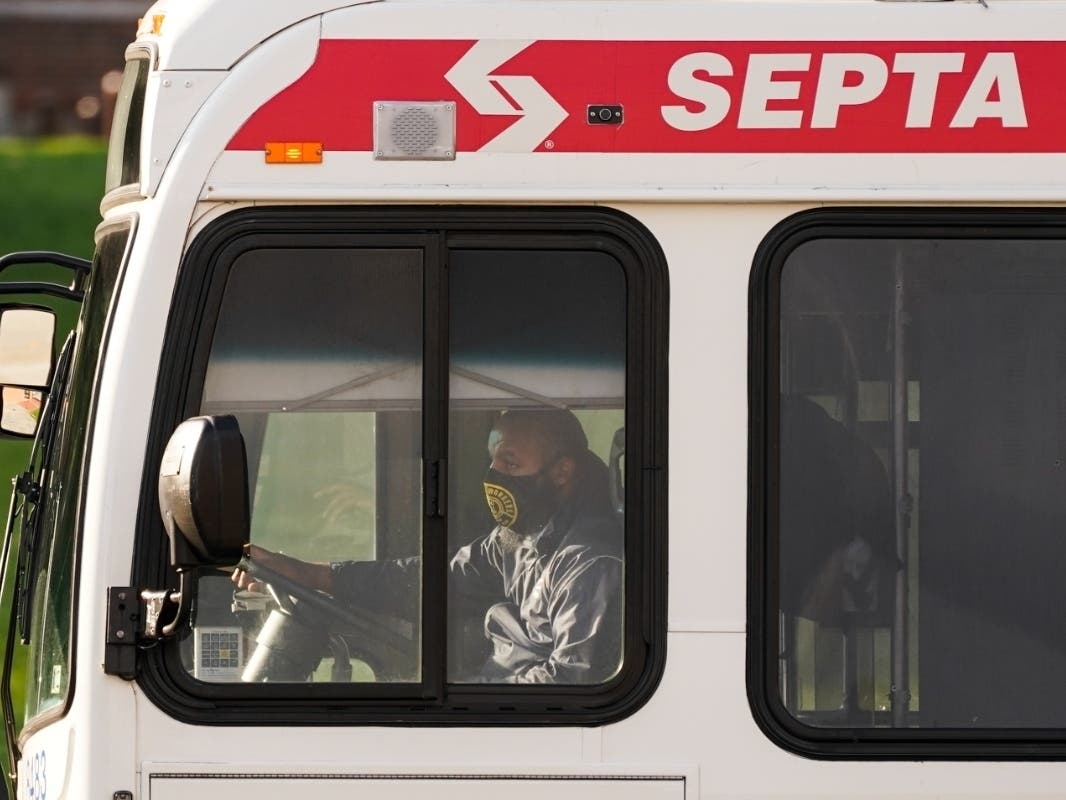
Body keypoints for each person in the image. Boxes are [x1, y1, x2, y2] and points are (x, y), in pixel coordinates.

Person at [233, 408, 624, 684]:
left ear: (562, 471)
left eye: (511, 463)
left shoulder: (590, 561)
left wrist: (467, 697)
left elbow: (572, 683)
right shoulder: (522, 537)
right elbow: (435, 579)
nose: (495, 476)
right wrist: (313, 574)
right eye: (493, 462)